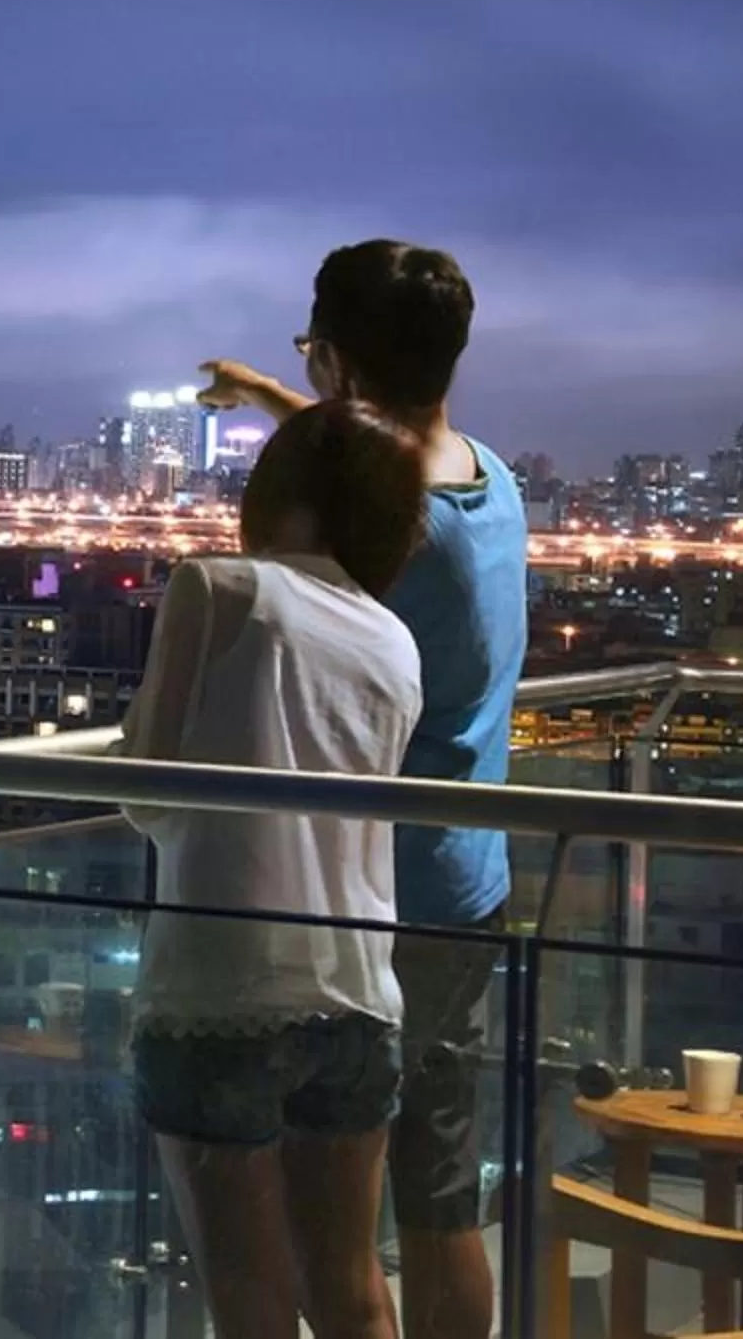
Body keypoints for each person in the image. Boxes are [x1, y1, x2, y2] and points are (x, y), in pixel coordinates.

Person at [200, 241, 530, 1339]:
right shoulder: (488, 479)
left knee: (330, 1227)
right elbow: (383, 459)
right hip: (466, 883)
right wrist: (271, 394)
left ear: (338, 359)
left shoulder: (390, 530)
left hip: (367, 899)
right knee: (440, 1193)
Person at [125, 399, 431, 1339]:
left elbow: (145, 793)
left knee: (247, 1299)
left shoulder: (219, 588)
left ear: (279, 490)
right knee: (350, 1289)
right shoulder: (393, 637)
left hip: (220, 987)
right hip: (359, 990)